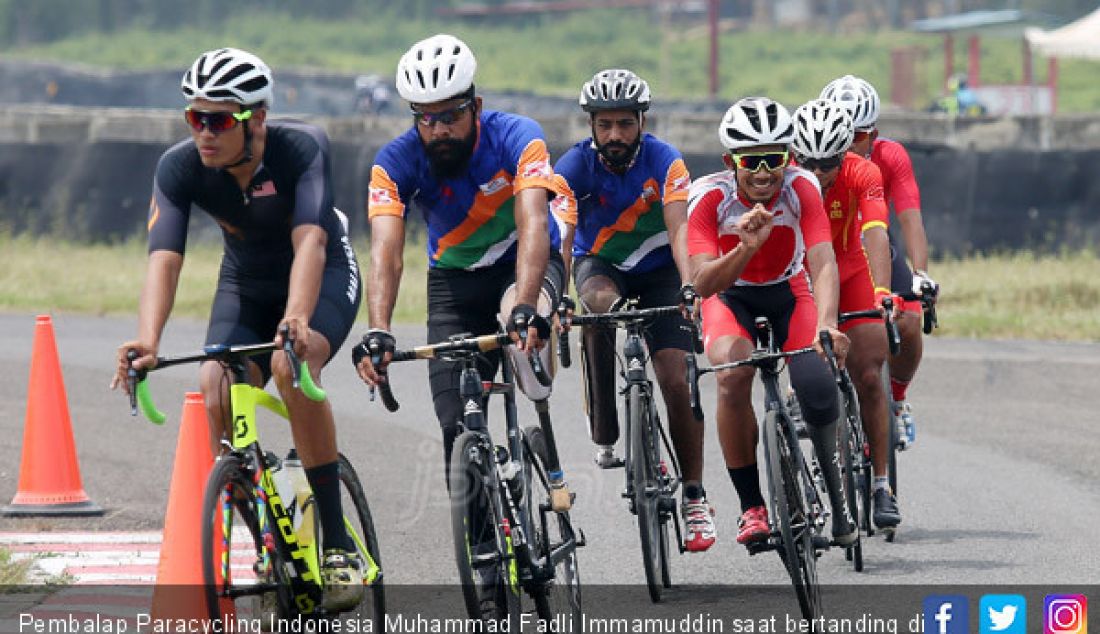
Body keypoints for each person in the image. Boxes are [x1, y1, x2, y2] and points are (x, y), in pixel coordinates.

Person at [109, 48, 364, 610]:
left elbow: (311, 242)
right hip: (246, 283)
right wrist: (148, 339)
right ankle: (265, 535)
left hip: (319, 273)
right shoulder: (180, 166)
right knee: (214, 382)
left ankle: (339, 544)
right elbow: (164, 259)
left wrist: (296, 318)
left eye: (219, 120)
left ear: (258, 120)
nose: (204, 132)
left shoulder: (303, 147)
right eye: (195, 118)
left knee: (288, 366)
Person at [352, 34, 571, 512]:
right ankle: (487, 562)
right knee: (455, 428)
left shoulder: (518, 136)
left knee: (521, 332)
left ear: (476, 106)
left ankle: (538, 422)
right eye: (426, 118)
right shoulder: (394, 162)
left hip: (525, 266)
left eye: (450, 115)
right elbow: (386, 251)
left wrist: (528, 306)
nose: (439, 129)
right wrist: (378, 330)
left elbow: (533, 221)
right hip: (454, 282)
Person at [553, 68, 716, 552]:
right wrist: (559, 294)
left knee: (674, 378)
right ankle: (605, 431)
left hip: (661, 268)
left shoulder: (666, 161)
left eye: (625, 124)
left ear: (641, 122)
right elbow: (560, 238)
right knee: (598, 308)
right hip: (600, 266)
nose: (615, 135)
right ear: (591, 127)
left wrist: (689, 287)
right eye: (605, 125)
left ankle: (694, 496)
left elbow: (680, 229)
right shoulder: (573, 167)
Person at [686, 96, 855, 547]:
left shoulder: (801, 188)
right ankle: (752, 507)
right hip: (730, 298)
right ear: (730, 161)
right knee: (732, 374)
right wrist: (745, 247)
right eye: (751, 161)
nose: (764, 173)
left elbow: (821, 259)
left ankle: (838, 503)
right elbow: (702, 284)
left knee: (818, 389)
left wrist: (827, 323)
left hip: (788, 292)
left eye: (774, 159)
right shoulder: (709, 198)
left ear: (789, 157)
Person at [791, 99, 901, 529]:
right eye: (809, 163)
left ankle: (880, 483)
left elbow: (875, 230)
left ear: (845, 154)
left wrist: (882, 291)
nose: (818, 173)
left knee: (870, 372)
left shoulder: (863, 172)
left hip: (852, 269)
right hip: (803, 273)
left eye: (828, 163)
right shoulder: (784, 178)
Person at [820, 75, 939, 449]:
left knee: (909, 320)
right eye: (841, 135)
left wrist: (920, 273)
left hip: (874, 246)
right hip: (826, 250)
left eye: (856, 136)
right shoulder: (817, 156)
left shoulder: (890, 156)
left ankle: (898, 402)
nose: (847, 145)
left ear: (873, 133)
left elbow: (910, 216)